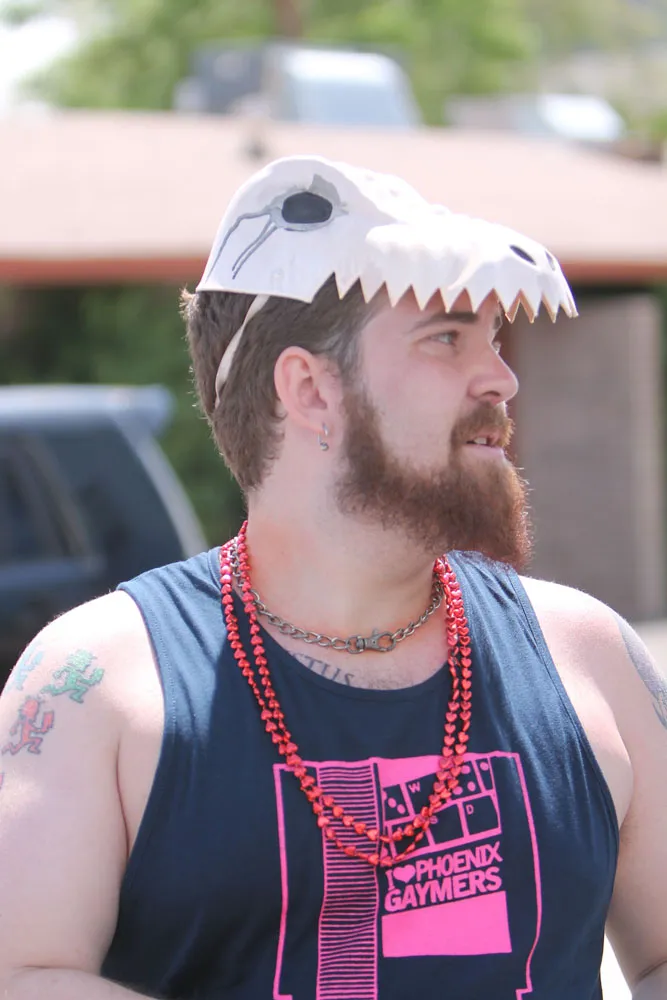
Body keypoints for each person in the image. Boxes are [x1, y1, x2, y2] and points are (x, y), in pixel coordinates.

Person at [0, 154, 666, 1000]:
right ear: (310, 389)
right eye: (446, 337)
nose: (501, 378)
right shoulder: (94, 684)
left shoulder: (587, 653)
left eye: (493, 340)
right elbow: (23, 974)